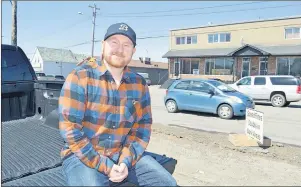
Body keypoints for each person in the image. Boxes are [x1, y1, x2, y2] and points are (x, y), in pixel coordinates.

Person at [58, 22, 177, 186]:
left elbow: (142, 129)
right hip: (83, 155)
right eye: (114, 42)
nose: (120, 49)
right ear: (103, 46)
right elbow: (70, 129)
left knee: (167, 183)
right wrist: (106, 166)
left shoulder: (139, 84)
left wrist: (125, 162)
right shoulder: (80, 77)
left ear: (133, 51)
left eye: (126, 45)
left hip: (122, 155)